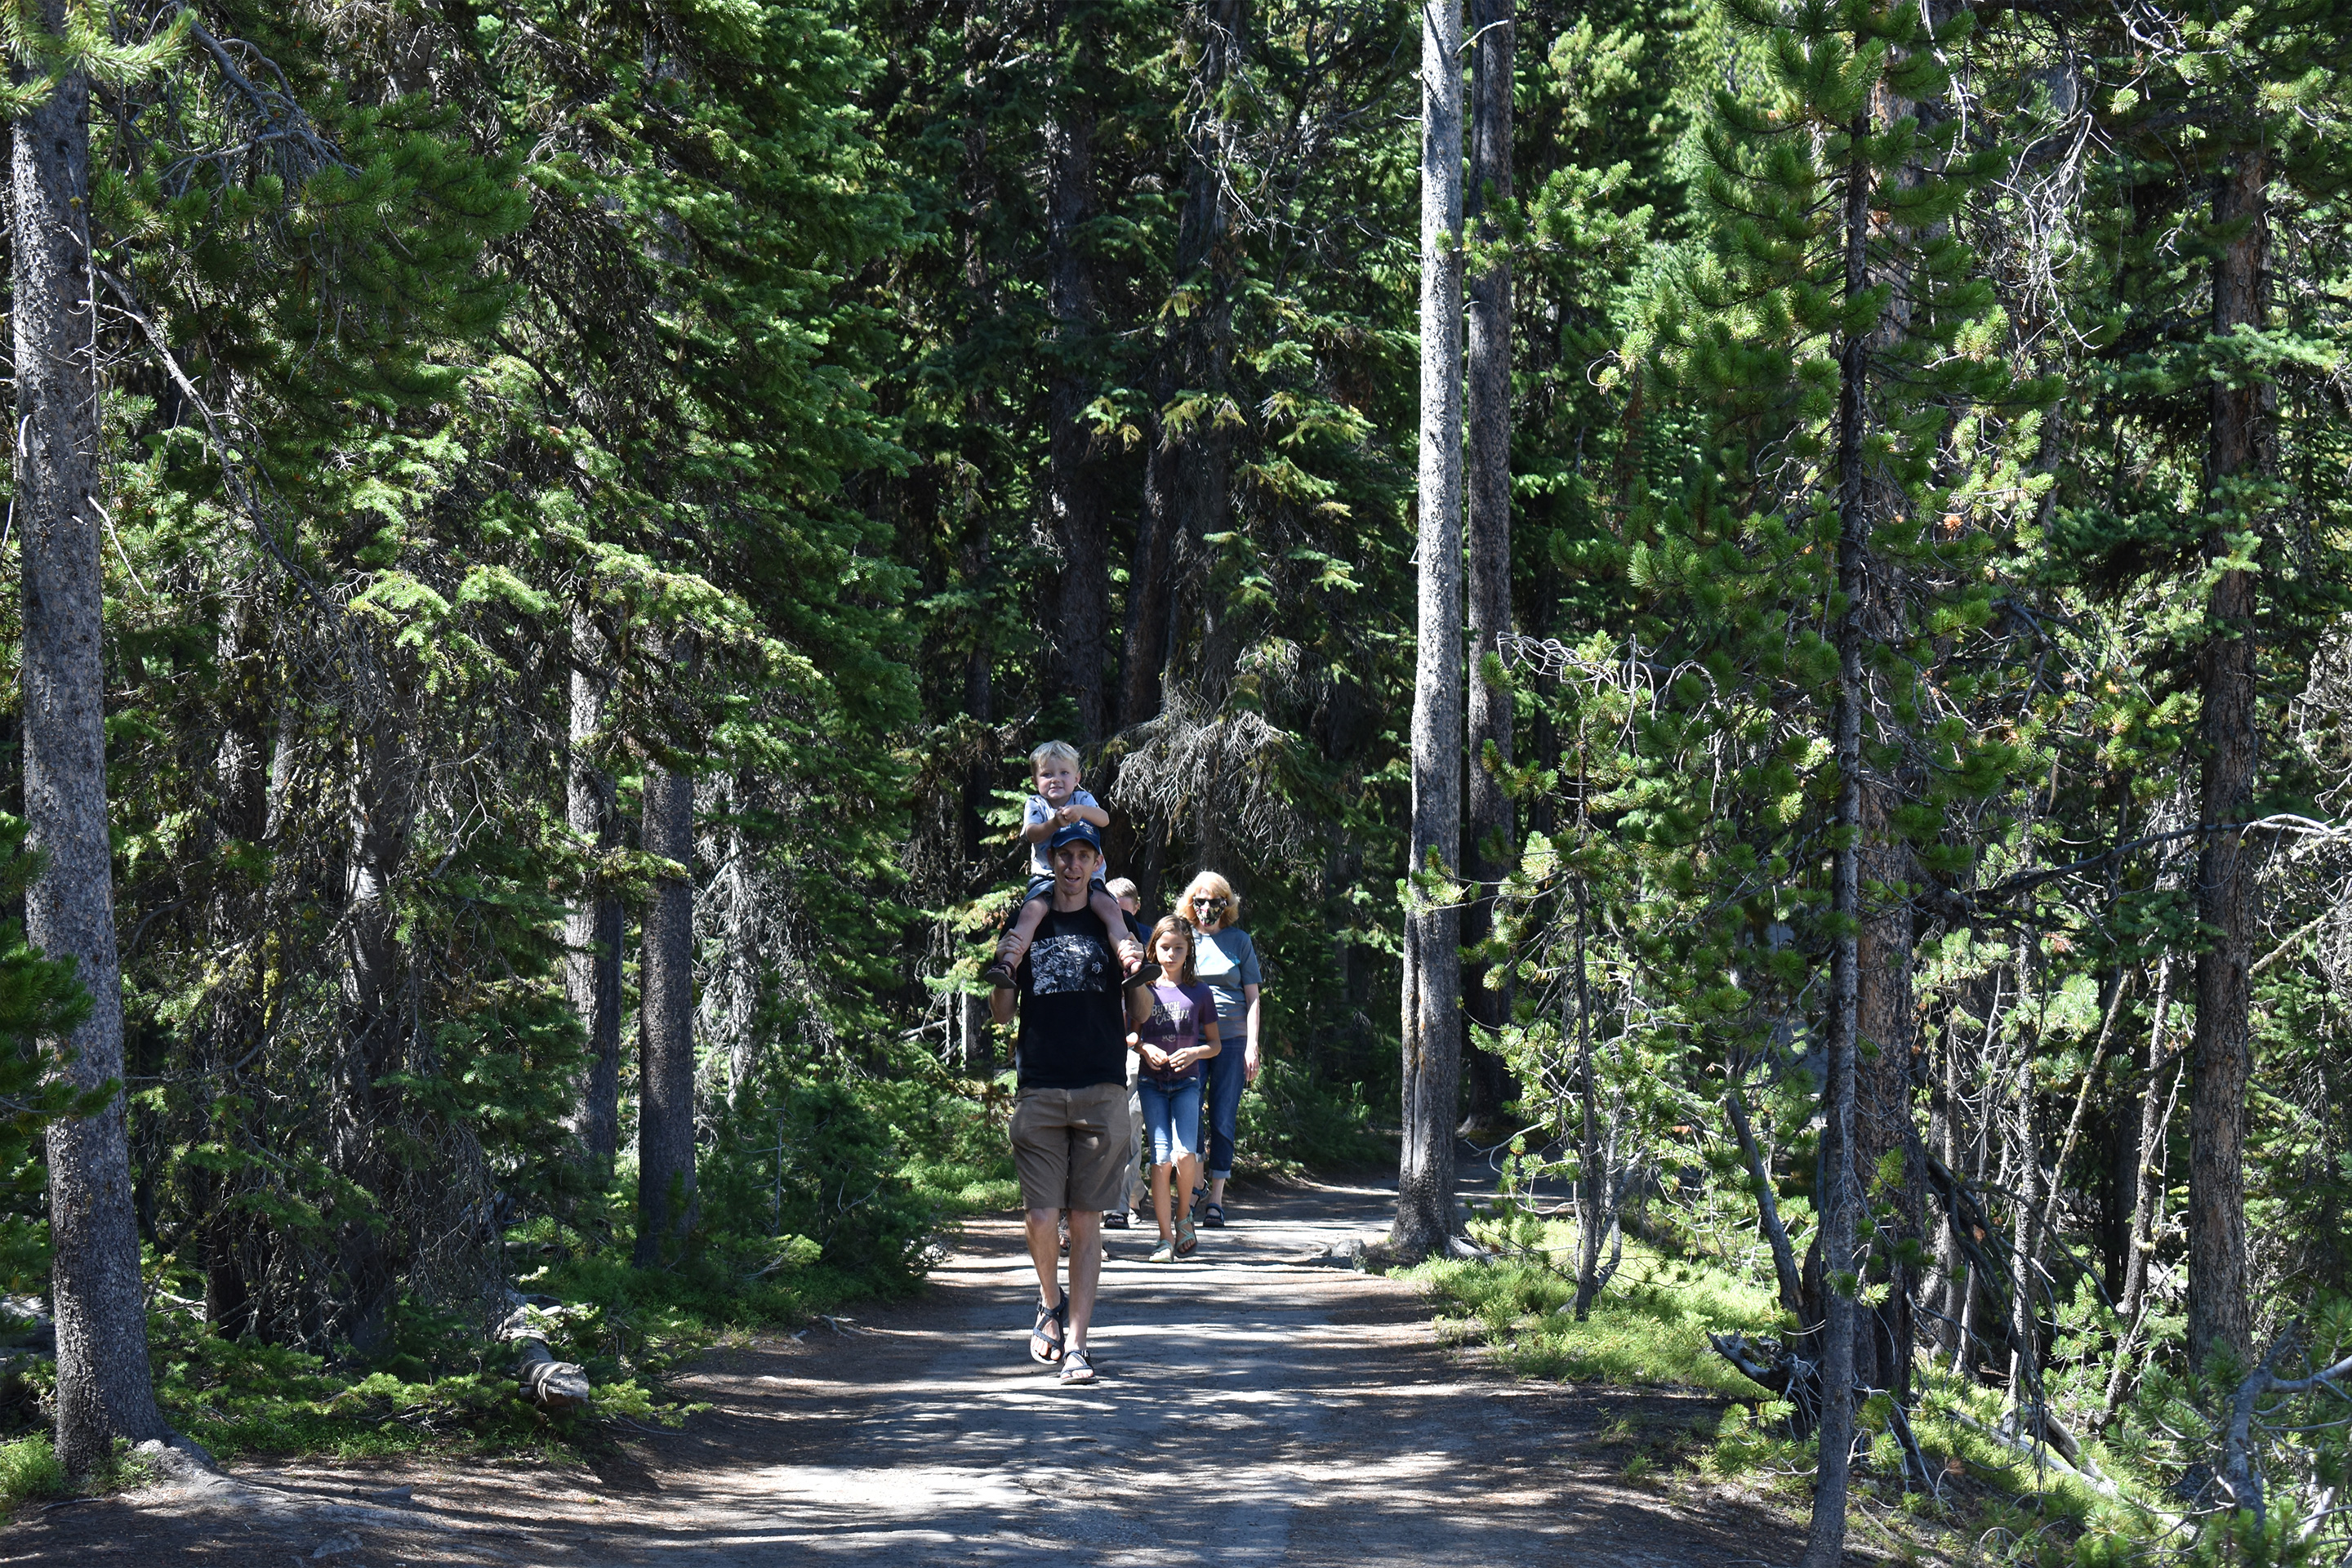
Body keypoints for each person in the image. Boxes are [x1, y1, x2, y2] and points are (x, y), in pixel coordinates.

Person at [990, 822, 1155, 1384]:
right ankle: (1048, 1301)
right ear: (1051, 861)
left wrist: (1136, 970)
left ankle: (1079, 1344)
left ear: (1096, 863)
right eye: (1065, 856)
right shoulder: (1029, 918)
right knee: (1041, 1215)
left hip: (1102, 1086)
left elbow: (1144, 1012)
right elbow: (1001, 1013)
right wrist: (1006, 968)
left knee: (1085, 1222)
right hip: (1039, 1084)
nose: (1073, 866)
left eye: (1084, 856)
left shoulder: (1116, 923)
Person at [982, 742, 1145, 986]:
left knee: (1111, 910)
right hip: (1046, 877)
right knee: (1029, 915)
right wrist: (1054, 823)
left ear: (1077, 777)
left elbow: (1104, 819)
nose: (1056, 779)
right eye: (1047, 774)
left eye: (1064, 773)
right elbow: (1033, 833)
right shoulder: (1036, 804)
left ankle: (1131, 963)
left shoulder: (1082, 798)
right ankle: (1008, 964)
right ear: (1035, 780)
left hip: (1091, 878)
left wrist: (1080, 811)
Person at [1131, 916, 1219, 1263]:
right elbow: (1131, 1032)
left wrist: (1195, 1051)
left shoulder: (1200, 992)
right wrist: (1142, 1048)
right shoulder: (1145, 989)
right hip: (1152, 1083)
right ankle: (1164, 1237)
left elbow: (1214, 1045)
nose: (1171, 955)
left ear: (1188, 951)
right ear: (1153, 948)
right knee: (1162, 1156)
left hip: (1187, 1083)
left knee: (1186, 1155)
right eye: (1165, 948)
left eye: (1178, 949)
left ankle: (1185, 1218)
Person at [1182, 871, 1260, 1227]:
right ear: (1191, 904)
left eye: (1214, 901)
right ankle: (1194, 1183)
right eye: (1200, 901)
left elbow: (1253, 997)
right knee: (1189, 1111)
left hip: (1231, 1040)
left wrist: (1252, 1046)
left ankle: (1216, 1199)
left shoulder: (1239, 941)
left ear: (1225, 904)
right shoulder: (1184, 938)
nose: (1206, 908)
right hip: (1191, 1039)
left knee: (1223, 1117)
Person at [1104, 877, 1148, 1231]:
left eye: (1122, 909)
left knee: (1130, 1127)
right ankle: (1128, 1194)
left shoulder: (1148, 942)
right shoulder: (1097, 939)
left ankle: (1118, 1206)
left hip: (1134, 1047)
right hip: (1101, 1048)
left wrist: (1139, 1037)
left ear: (1134, 907)